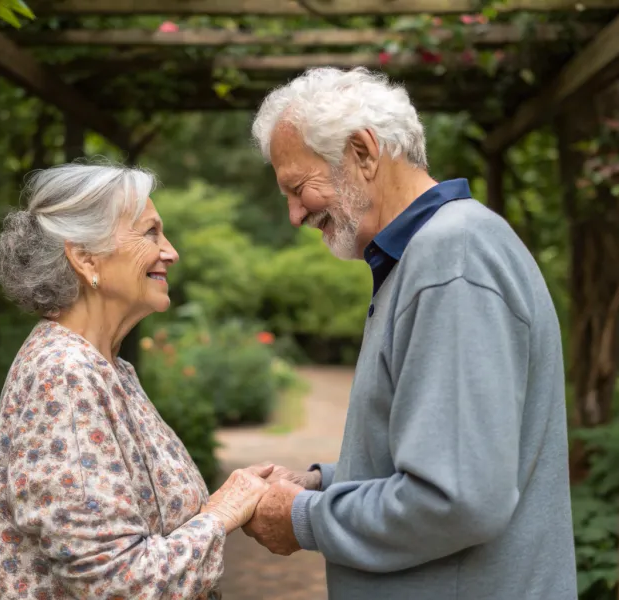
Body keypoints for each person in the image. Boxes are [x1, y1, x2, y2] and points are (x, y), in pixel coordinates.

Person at [243, 66, 578, 599]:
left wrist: (304, 518)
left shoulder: (452, 258)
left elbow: (458, 499)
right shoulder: (426, 256)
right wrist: (323, 483)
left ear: (363, 152)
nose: (293, 214)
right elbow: (444, 461)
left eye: (298, 186)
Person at [0, 163, 272, 600]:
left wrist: (247, 494)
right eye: (150, 233)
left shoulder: (108, 369)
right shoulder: (65, 375)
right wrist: (221, 513)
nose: (171, 252)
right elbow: (119, 582)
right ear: (84, 257)